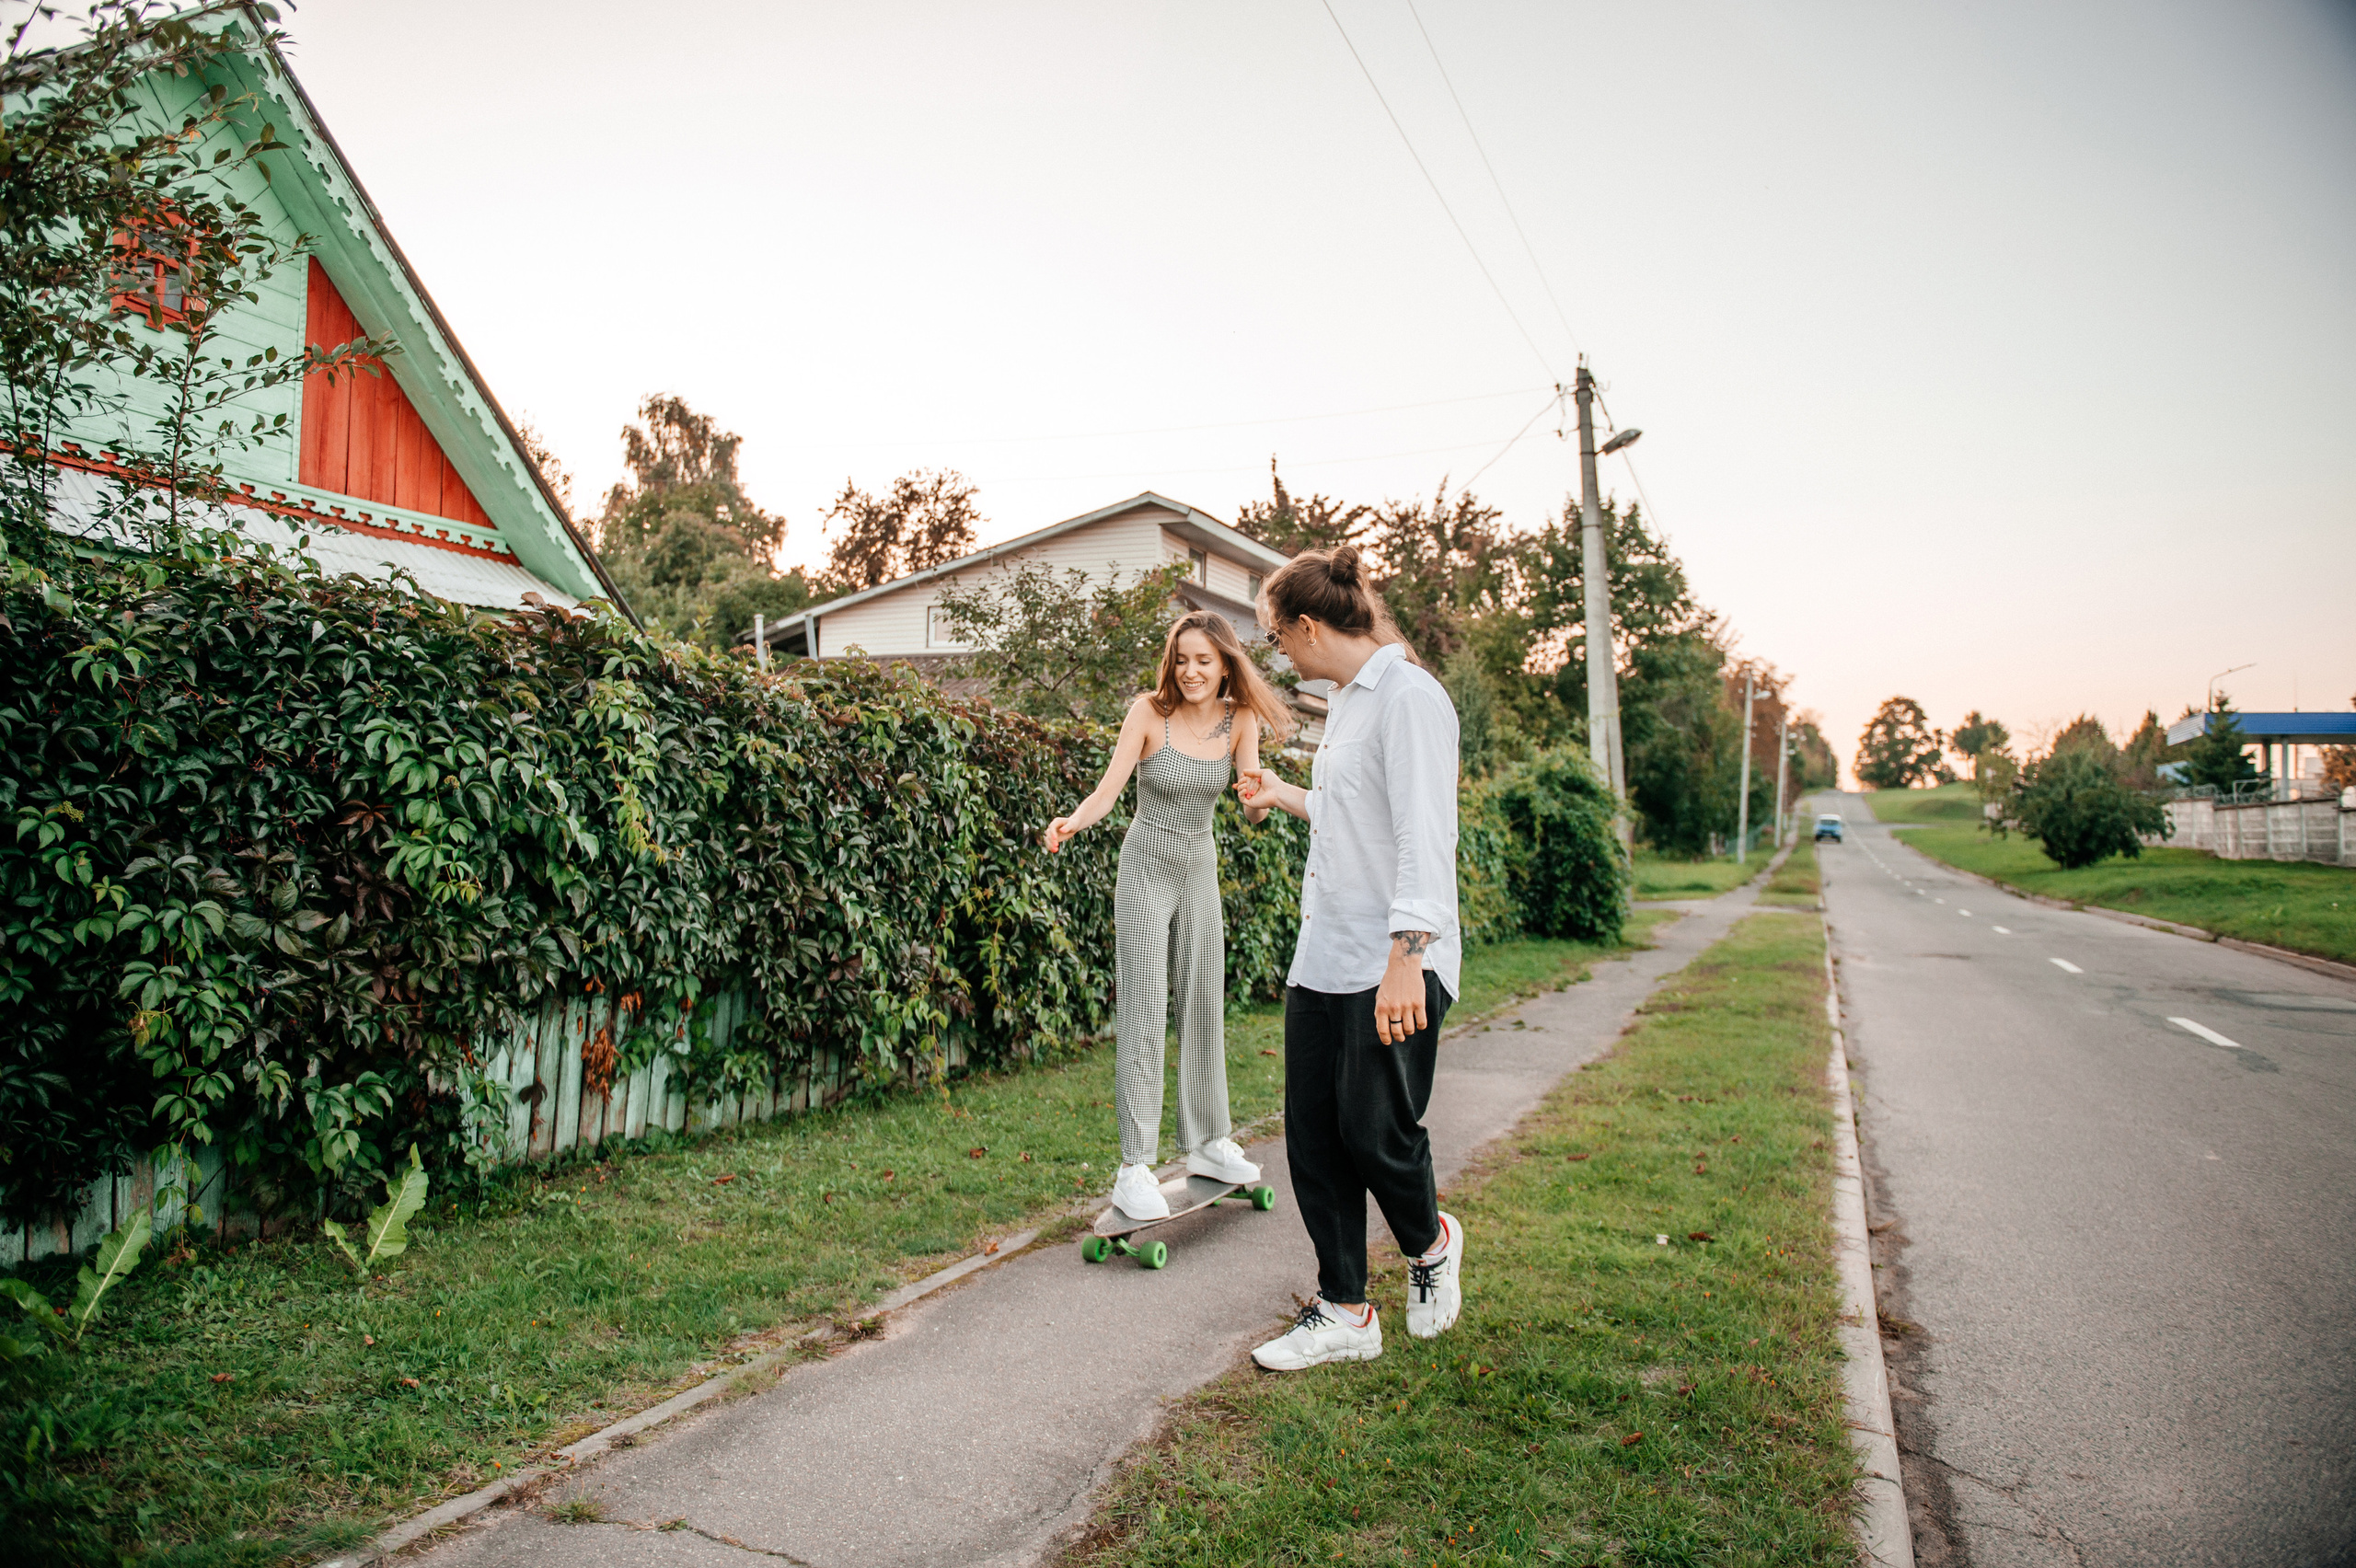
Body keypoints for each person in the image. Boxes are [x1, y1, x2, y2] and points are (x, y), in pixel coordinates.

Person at [1232, 545, 1463, 1371]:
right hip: (1323, 953)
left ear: (1305, 625)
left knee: (1376, 1131)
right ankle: (1345, 1311)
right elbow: (1348, 812)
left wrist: (1407, 956)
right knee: (1314, 1139)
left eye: (1276, 638)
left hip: (1393, 958)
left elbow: (1425, 837)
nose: (1278, 655)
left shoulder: (1410, 699)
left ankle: (1430, 1241)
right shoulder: (1350, 705)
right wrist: (1284, 796)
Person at [1045, 611, 1294, 1221]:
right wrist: (1074, 821)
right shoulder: (1148, 713)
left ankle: (1208, 1142)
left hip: (1198, 868)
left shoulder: (1241, 721)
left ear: (1225, 663)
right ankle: (1135, 1166)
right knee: (1145, 1006)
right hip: (1146, 871)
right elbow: (1108, 791)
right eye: (1181, 659)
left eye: (1203, 660)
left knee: (1205, 1002)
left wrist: (1257, 799)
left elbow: (1254, 806)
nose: (1190, 671)